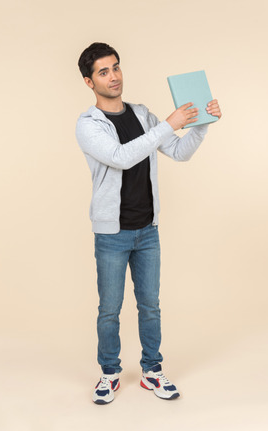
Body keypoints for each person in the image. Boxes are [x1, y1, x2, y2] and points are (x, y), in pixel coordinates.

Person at [75, 42, 222, 405]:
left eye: (116, 67)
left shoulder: (142, 114)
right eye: (104, 72)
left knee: (150, 305)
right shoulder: (88, 124)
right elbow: (121, 157)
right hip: (112, 234)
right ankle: (110, 373)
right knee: (109, 309)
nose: (114, 76)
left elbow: (178, 152)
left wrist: (201, 124)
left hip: (147, 230)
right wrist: (169, 125)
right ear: (89, 82)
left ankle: (151, 371)